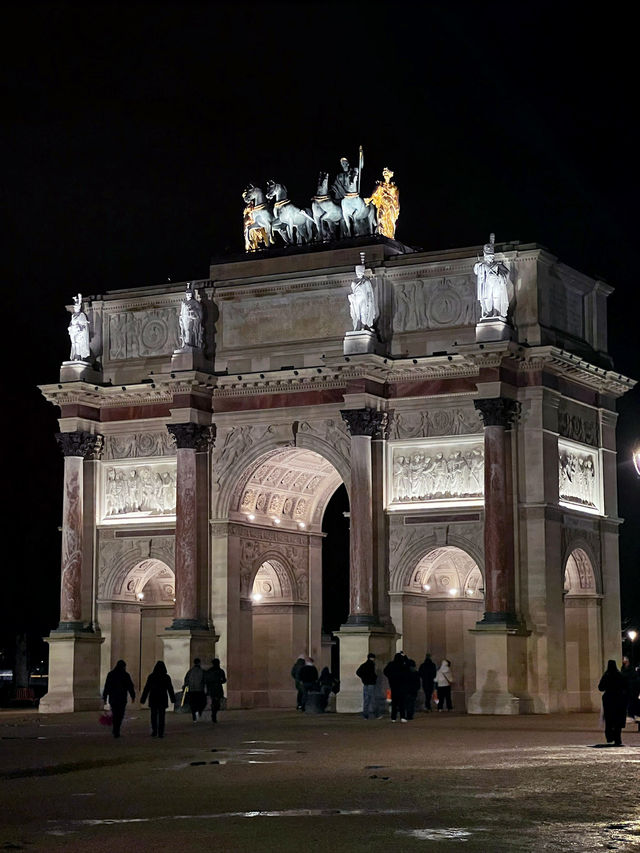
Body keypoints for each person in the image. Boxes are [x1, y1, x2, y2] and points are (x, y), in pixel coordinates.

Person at [474, 233, 510, 319]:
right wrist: (477, 265)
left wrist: (501, 276)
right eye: (488, 256)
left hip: (496, 282)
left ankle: (496, 313)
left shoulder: (498, 264)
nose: (490, 258)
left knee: (496, 297)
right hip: (487, 283)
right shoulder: (482, 265)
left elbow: (507, 272)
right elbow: (476, 272)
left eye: (491, 256)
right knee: (487, 297)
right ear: (485, 256)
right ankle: (489, 313)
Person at [140, 660, 175, 738]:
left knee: (153, 716)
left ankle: (154, 731)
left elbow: (147, 688)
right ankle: (160, 732)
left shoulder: (151, 676)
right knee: (162, 716)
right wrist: (173, 698)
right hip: (162, 698)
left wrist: (143, 699)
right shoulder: (166, 677)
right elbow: (170, 688)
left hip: (154, 698)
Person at [102, 659, 135, 738]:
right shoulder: (125, 675)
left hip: (113, 698)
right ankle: (117, 729)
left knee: (115, 713)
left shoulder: (111, 674)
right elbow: (130, 686)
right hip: (122, 698)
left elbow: (107, 687)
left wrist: (105, 697)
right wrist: (133, 696)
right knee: (120, 715)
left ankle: (115, 729)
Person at [598, 659, 627, 746]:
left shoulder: (606, 675)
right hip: (619, 699)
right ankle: (618, 738)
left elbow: (600, 687)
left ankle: (610, 737)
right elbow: (625, 686)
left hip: (609, 700)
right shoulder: (620, 675)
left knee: (609, 719)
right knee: (618, 719)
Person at [365, 166, 400, 239]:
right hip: (382, 205)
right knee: (380, 218)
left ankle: (390, 236)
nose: (385, 175)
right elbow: (374, 194)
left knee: (390, 222)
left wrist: (397, 209)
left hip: (391, 206)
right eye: (384, 173)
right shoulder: (380, 186)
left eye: (387, 173)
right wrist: (369, 199)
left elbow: (396, 199)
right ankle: (381, 234)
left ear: (390, 175)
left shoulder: (394, 188)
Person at [348, 262, 378, 332]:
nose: (359, 274)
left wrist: (370, 301)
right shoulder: (354, 282)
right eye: (358, 272)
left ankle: (363, 326)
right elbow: (353, 291)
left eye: (360, 272)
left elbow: (369, 292)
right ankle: (358, 326)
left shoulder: (366, 281)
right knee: (357, 314)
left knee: (363, 312)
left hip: (364, 299)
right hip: (357, 300)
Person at [384, 652, 409, 722]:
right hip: (402, 685)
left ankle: (393, 718)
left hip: (393, 685)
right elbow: (408, 666)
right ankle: (402, 717)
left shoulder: (391, 664)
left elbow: (385, 671)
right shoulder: (402, 664)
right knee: (402, 702)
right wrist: (405, 657)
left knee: (394, 703)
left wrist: (390, 677)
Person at [356, 653, 379, 719]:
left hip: (365, 683)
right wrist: (374, 678)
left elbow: (358, 672)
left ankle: (365, 715)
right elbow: (373, 674)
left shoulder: (364, 665)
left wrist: (363, 678)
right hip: (371, 683)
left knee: (366, 700)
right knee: (372, 699)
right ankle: (376, 714)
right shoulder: (372, 665)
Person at [68, 293, 90, 361]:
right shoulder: (73, 316)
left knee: (78, 343)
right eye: (74, 307)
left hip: (79, 332)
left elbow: (84, 325)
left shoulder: (82, 315)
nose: (75, 308)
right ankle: (75, 356)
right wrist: (70, 327)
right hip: (73, 332)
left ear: (79, 307)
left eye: (76, 307)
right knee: (73, 344)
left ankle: (78, 357)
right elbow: (71, 323)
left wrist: (79, 328)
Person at [204, 658, 227, 723]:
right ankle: (214, 714)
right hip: (217, 688)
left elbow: (207, 681)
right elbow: (224, 680)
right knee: (216, 702)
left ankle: (213, 713)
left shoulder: (210, 671)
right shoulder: (220, 671)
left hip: (213, 689)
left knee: (215, 702)